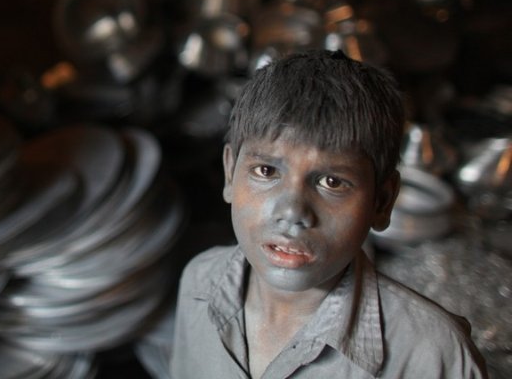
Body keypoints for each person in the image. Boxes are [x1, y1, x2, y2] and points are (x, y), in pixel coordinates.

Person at [170, 50, 487, 378]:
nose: (293, 212)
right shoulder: (200, 283)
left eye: (332, 182)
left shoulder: (433, 354)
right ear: (229, 174)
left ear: (382, 200)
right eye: (266, 171)